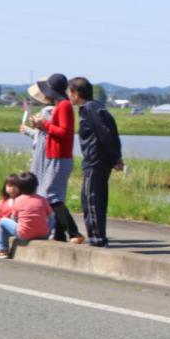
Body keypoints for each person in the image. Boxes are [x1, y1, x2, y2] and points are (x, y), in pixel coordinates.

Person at [29, 73, 85, 243]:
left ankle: (74, 233)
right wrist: (43, 126)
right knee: (56, 196)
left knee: (50, 195)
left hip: (59, 156)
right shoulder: (62, 105)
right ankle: (60, 235)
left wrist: (43, 124)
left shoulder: (64, 106)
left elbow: (64, 132)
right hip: (57, 155)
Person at [69, 77, 123, 247]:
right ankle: (98, 238)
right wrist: (116, 157)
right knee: (93, 199)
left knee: (91, 200)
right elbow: (112, 132)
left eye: (69, 93)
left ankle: (98, 239)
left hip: (95, 161)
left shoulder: (90, 109)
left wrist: (115, 158)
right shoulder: (96, 106)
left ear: (76, 93)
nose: (68, 97)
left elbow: (106, 134)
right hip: (99, 160)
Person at [0, 171, 53, 259]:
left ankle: (2, 251)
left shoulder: (18, 200)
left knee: (3, 221)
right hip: (43, 234)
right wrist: (48, 231)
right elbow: (51, 218)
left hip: (24, 234)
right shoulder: (43, 200)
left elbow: (14, 219)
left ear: (20, 187)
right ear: (36, 186)